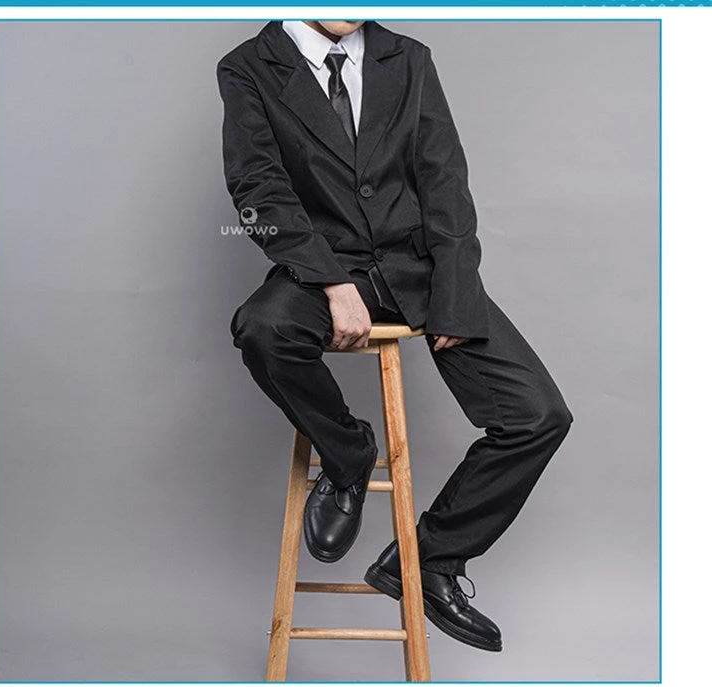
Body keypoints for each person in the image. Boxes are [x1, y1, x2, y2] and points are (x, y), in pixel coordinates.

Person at [216, 19, 573, 653]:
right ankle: (348, 456)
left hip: (419, 268)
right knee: (263, 329)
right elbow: (257, 190)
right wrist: (330, 280)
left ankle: (430, 560)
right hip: (323, 265)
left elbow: (444, 178)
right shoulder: (248, 65)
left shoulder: (407, 58)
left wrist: (455, 293)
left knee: (537, 416)